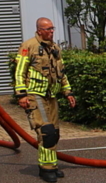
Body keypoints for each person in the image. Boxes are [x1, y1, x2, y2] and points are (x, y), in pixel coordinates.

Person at [14, 18, 76, 182]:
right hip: (35, 95)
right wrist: (21, 94)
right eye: (48, 29)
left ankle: (52, 166)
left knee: (54, 133)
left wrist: (68, 92)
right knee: (46, 132)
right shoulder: (29, 46)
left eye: (52, 28)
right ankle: (46, 169)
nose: (51, 31)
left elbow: (61, 72)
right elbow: (20, 71)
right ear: (39, 30)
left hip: (52, 96)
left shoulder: (55, 48)